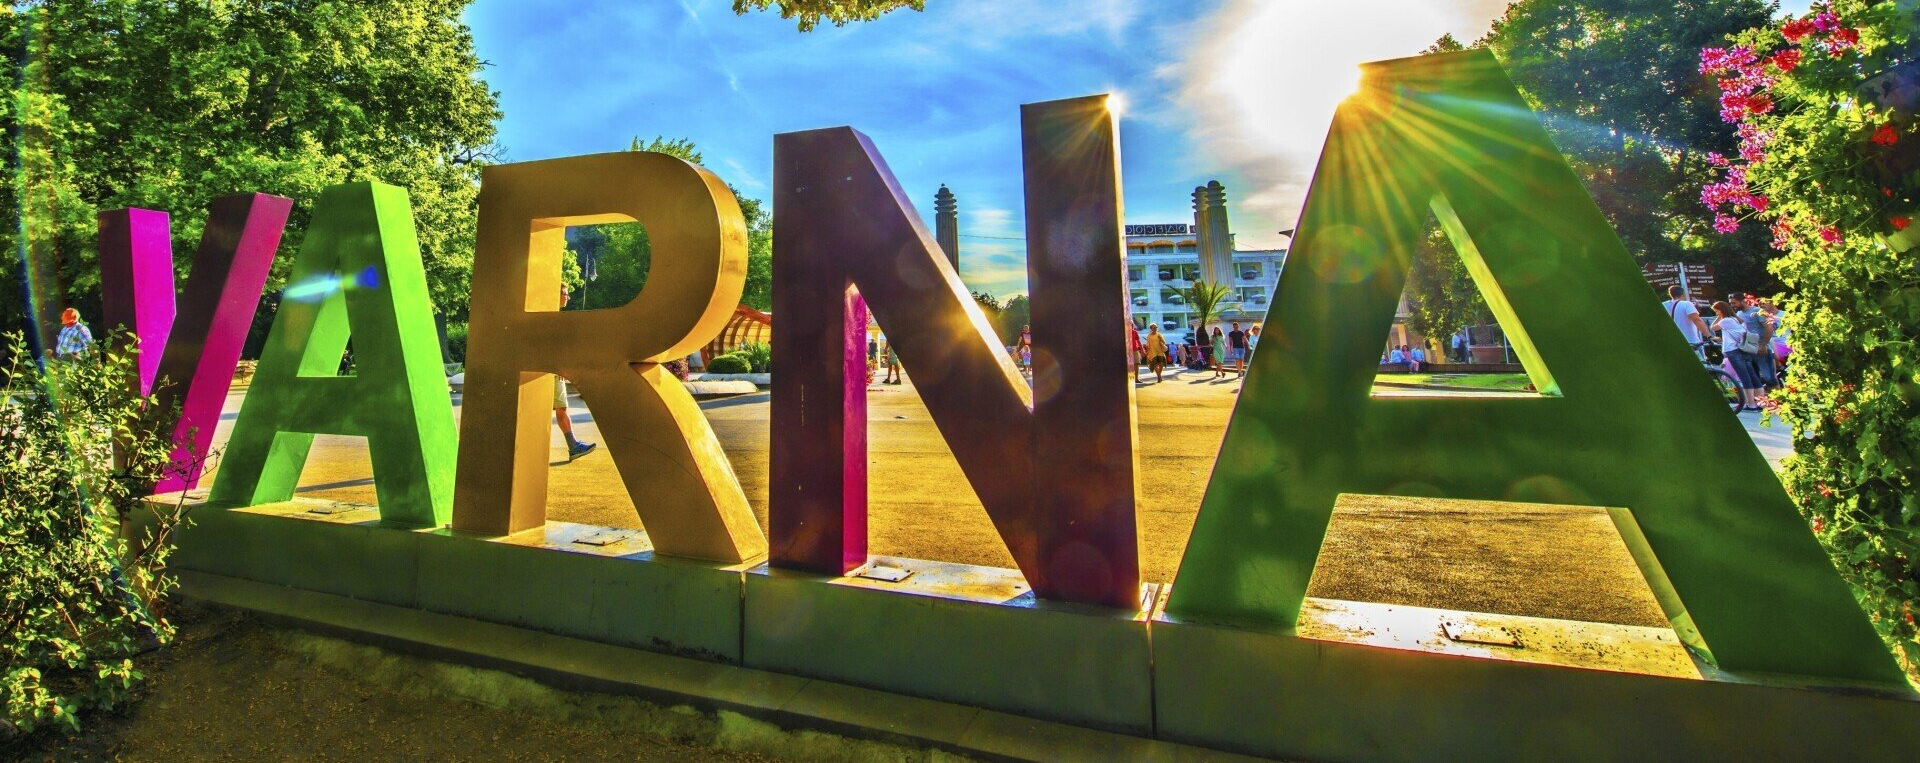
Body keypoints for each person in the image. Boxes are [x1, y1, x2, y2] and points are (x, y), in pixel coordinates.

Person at [552, 288, 597, 461]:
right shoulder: (553, 317)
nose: (568, 297)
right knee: (561, 408)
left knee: (561, 408)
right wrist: (558, 366)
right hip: (553, 372)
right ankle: (573, 446)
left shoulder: (553, 317)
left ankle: (573, 446)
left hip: (553, 371)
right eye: (564, 293)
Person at [1713, 300, 1763, 410]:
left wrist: (1719, 316)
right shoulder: (1738, 320)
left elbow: (1712, 328)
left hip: (1733, 350)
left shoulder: (1725, 320)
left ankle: (1751, 404)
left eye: (1716, 311)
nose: (1716, 313)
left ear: (1721, 310)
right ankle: (1762, 403)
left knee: (1744, 377)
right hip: (1744, 349)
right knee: (1753, 376)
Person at [1734, 292, 1776, 391]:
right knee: (1755, 378)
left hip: (1762, 349)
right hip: (1748, 349)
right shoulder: (1739, 314)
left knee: (1769, 378)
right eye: (1731, 303)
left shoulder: (1758, 311)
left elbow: (1769, 328)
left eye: (1734, 303)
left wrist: (1763, 345)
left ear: (1742, 301)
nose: (1733, 305)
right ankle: (1760, 402)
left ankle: (1778, 402)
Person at [1662, 286, 1711, 359]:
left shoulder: (1664, 305)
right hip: (1690, 341)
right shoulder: (1686, 304)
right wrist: (1709, 336)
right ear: (1683, 294)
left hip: (1673, 343)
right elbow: (1697, 320)